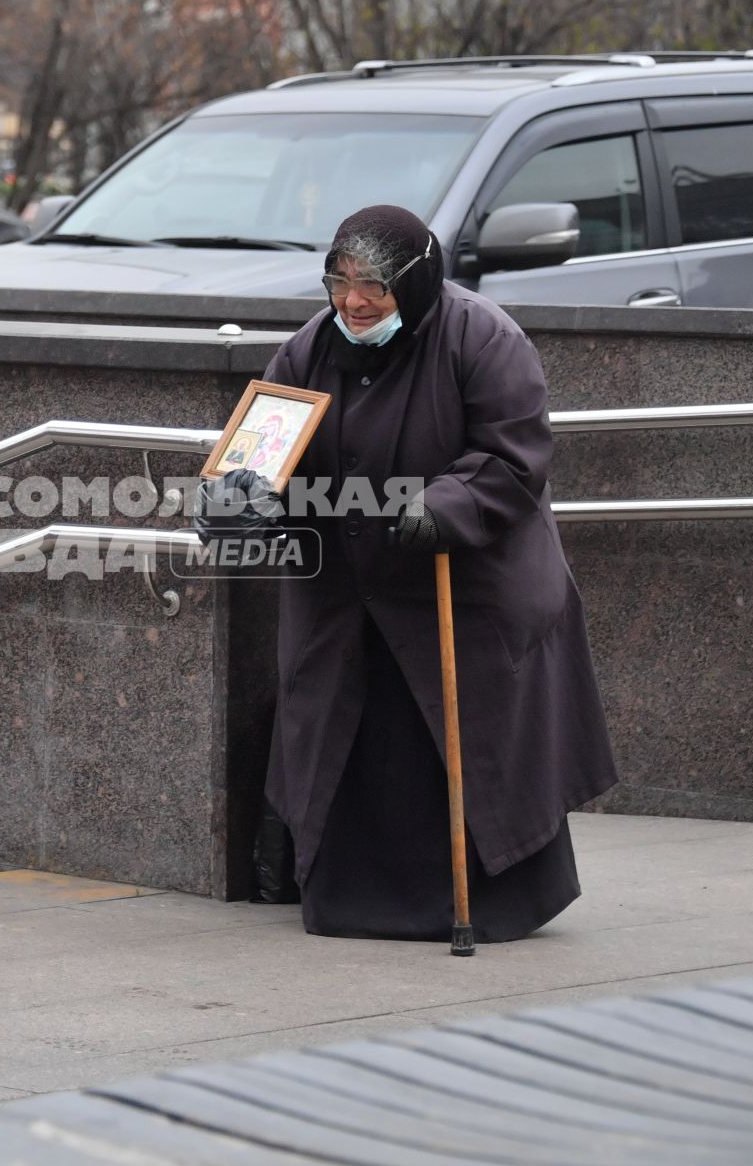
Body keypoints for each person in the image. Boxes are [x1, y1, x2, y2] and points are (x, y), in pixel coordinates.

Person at [196, 204, 616, 942]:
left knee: (463, 752)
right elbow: (263, 448)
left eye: (374, 287)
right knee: (349, 745)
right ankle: (348, 899)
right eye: (339, 281)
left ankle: (485, 904)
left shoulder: (484, 339)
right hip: (347, 603)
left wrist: (444, 506)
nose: (353, 302)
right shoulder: (306, 352)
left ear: (415, 284)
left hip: (459, 594)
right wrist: (234, 497)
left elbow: (512, 456)